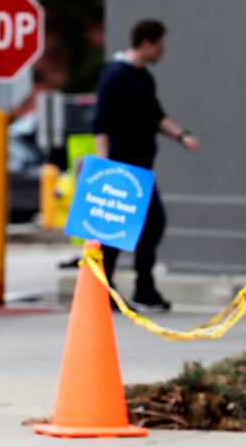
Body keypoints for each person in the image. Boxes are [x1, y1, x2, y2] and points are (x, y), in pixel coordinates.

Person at [92, 19, 200, 313]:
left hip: (141, 167)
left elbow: (155, 117)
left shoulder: (143, 78)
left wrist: (182, 135)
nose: (162, 51)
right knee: (120, 229)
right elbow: (101, 123)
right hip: (120, 167)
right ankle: (111, 289)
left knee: (147, 226)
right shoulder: (115, 76)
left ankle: (136, 287)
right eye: (160, 44)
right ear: (147, 43)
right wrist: (104, 169)